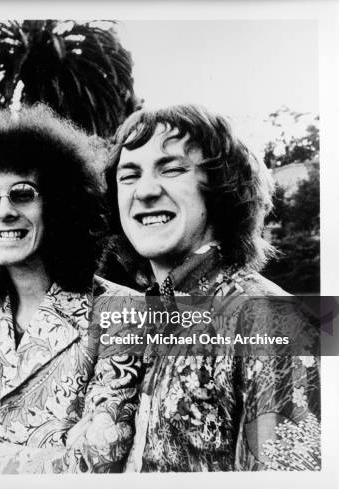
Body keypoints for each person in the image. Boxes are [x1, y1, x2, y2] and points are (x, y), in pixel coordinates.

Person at [0, 105, 142, 475]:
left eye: (21, 193)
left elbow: (95, 465)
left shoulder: (120, 312)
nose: (2, 211)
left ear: (60, 204)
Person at [104, 104, 321, 471]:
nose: (144, 191)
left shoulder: (272, 321)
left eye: (171, 169)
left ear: (221, 188)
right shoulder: (150, 317)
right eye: (129, 175)